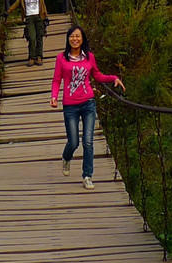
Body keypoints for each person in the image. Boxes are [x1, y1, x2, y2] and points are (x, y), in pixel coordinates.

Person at [49, 24, 125, 190]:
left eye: (78, 36)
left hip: (88, 102)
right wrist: (54, 96)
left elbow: (97, 74)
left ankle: (87, 176)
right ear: (68, 39)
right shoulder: (61, 58)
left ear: (82, 39)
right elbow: (56, 80)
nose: (75, 39)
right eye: (72, 36)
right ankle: (66, 157)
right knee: (74, 142)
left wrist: (113, 78)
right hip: (70, 105)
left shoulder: (89, 57)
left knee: (88, 142)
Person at [7, 0, 48, 66]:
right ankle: (31, 57)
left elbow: (43, 5)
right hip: (29, 18)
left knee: (39, 37)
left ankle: (39, 57)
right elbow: (16, 3)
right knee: (31, 38)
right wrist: (8, 12)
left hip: (38, 16)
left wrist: (45, 17)